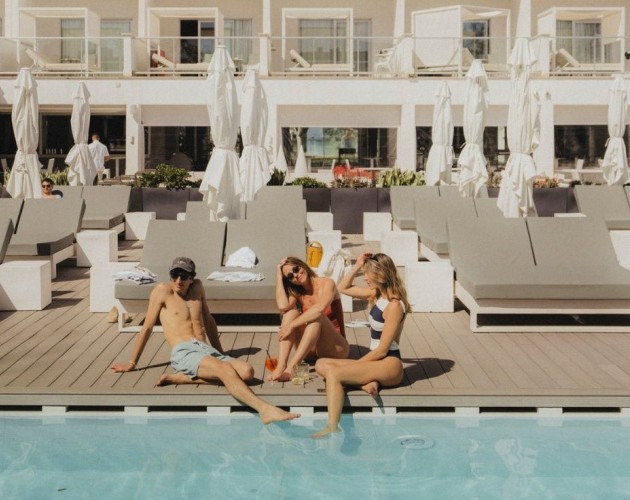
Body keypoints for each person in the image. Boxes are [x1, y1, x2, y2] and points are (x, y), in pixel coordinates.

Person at [111, 256, 299, 425]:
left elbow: (208, 321)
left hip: (206, 350)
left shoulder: (198, 288)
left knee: (247, 371)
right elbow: (147, 327)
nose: (178, 280)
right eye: (174, 275)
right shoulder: (162, 291)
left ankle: (182, 379)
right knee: (225, 370)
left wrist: (220, 352)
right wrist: (132, 362)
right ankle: (264, 409)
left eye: (183, 276)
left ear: (192, 278)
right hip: (184, 351)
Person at [312, 253, 410, 438]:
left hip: (389, 363)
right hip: (375, 362)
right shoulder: (377, 294)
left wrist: (354, 366)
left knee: (334, 374)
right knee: (321, 363)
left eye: (367, 274)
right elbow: (343, 287)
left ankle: (332, 426)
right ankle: (366, 383)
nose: (365, 278)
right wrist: (357, 265)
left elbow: (382, 350)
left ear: (381, 275)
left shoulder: (394, 306)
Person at [270, 257, 350, 382]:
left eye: (296, 269)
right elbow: (282, 306)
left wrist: (291, 326)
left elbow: (320, 308)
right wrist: (278, 275)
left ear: (303, 265)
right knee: (290, 313)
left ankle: (292, 367)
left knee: (317, 316)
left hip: (335, 349)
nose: (296, 275)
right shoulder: (298, 292)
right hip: (310, 351)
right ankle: (281, 365)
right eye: (290, 276)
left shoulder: (327, 283)